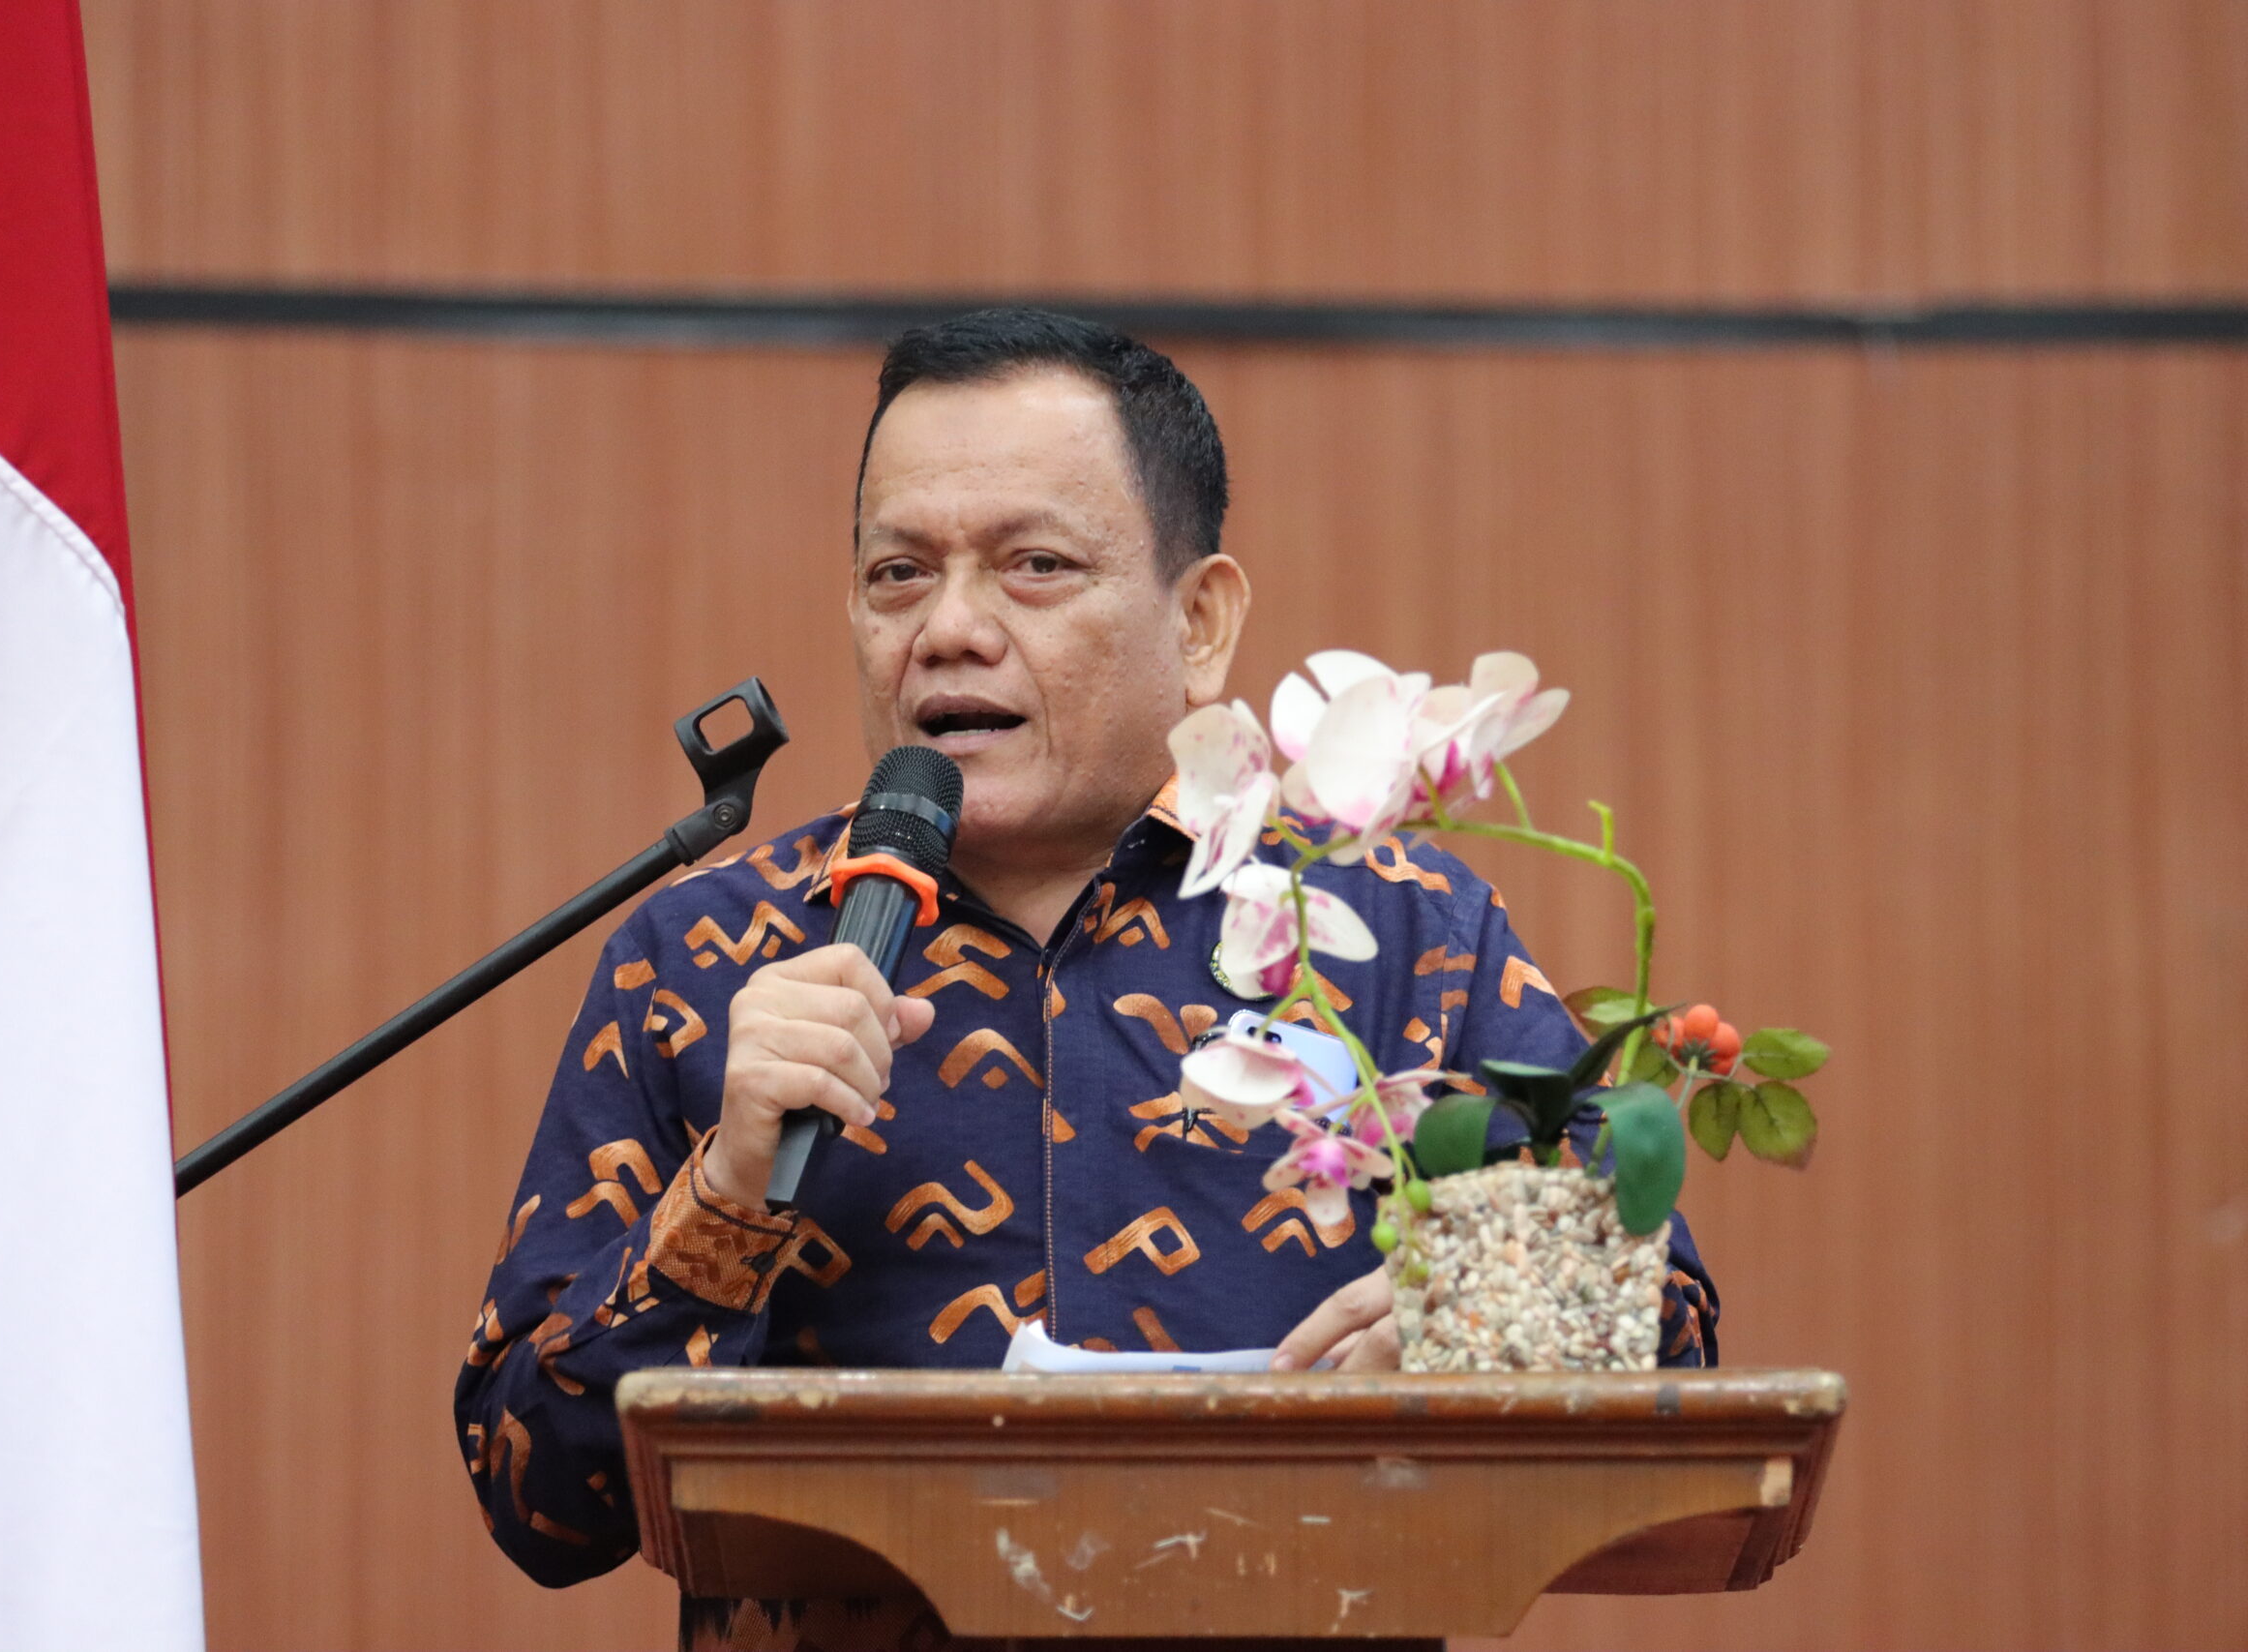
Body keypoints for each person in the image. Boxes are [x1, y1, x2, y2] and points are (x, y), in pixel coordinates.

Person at [456, 310, 1719, 1638]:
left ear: (1201, 621)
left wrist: (1469, 1329)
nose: (948, 629)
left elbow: (1672, 1330)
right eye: (898, 574)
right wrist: (723, 1200)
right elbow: (535, 1500)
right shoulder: (705, 957)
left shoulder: (1399, 930)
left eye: (1035, 567)